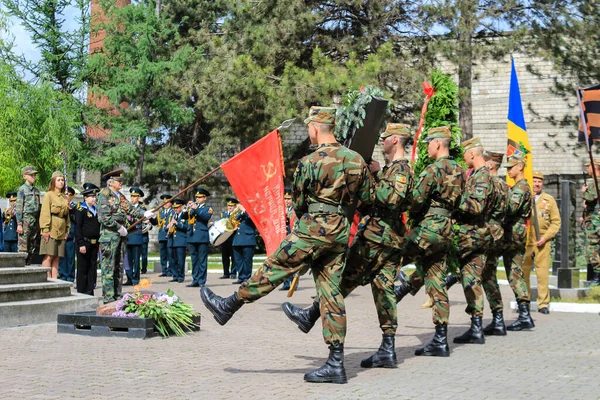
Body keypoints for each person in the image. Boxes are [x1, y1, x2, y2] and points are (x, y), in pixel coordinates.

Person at [200, 106, 373, 384]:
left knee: (275, 267)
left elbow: (300, 201)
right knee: (331, 294)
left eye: (309, 127)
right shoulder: (355, 159)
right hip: (340, 230)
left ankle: (229, 305)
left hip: (314, 227)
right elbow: (367, 198)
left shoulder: (309, 161)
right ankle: (335, 363)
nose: (308, 131)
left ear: (315, 128)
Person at [282, 122, 413, 368]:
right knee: (384, 290)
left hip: (377, 237)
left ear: (395, 140)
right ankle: (388, 348)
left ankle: (310, 316)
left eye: (385, 138)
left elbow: (391, 199)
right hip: (387, 237)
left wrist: (373, 174)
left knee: (339, 283)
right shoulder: (393, 169)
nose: (382, 142)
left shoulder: (401, 169)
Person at [393, 126, 466, 357]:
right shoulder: (461, 170)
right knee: (436, 281)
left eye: (428, 143)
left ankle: (402, 287)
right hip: (445, 230)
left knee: (396, 255)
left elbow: (415, 201)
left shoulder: (433, 170)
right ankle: (440, 339)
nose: (426, 147)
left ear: (437, 143)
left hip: (428, 227)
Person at [452, 137, 495, 345]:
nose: (463, 158)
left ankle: (407, 286)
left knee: (436, 252)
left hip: (473, 235)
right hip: (476, 233)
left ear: (472, 154)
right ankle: (476, 327)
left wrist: (454, 198)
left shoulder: (482, 176)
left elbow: (476, 207)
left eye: (464, 154)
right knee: (471, 280)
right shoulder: (478, 175)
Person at [97, 169, 153, 303]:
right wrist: (118, 227)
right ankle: (108, 297)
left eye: (121, 180)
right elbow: (103, 217)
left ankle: (117, 295)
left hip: (121, 237)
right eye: (118, 181)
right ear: (111, 182)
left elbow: (130, 209)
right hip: (109, 236)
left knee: (119, 267)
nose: (121, 182)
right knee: (109, 267)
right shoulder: (104, 195)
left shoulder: (120, 196)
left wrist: (143, 215)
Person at [501, 153, 535, 330]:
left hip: (514, 232)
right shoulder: (518, 186)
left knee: (514, 272)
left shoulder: (521, 187)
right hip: (515, 231)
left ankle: (524, 315)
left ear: (520, 167)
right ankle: (525, 314)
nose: (508, 170)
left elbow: (510, 208)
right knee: (514, 271)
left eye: (511, 167)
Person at [522, 171, 560, 313]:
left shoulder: (549, 200)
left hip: (542, 240)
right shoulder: (524, 198)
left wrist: (546, 237)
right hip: (526, 240)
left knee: (542, 273)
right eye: (534, 181)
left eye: (539, 181)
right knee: (523, 273)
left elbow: (556, 222)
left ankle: (543, 304)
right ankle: (524, 302)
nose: (537, 184)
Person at [480, 151, 509, 336]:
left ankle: (479, 320)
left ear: (490, 166)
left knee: (477, 275)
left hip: (486, 232)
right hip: (498, 232)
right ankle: (498, 318)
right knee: (489, 275)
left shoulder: (489, 184)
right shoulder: (505, 186)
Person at [39, 171, 70, 279]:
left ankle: (55, 280)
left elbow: (67, 216)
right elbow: (45, 213)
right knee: (49, 256)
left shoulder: (65, 198)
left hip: (61, 230)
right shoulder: (49, 195)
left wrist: (67, 230)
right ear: (53, 181)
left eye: (62, 180)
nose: (61, 182)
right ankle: (46, 280)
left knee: (57, 257)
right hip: (51, 229)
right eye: (58, 180)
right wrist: (45, 230)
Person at [75, 183, 101, 295]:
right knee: (83, 268)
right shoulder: (81, 209)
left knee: (92, 267)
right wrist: (81, 243)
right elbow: (78, 227)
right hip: (84, 242)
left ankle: (90, 290)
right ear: (85, 197)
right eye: (92, 196)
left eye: (95, 197)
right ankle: (81, 290)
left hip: (94, 243)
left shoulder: (96, 210)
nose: (94, 199)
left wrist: (99, 242)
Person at [187, 187, 213, 288]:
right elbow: (184, 216)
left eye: (199, 197)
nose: (197, 199)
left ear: (204, 198)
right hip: (192, 236)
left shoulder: (208, 208)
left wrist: (196, 208)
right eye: (196, 197)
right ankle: (195, 279)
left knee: (202, 260)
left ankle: (202, 280)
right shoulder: (193, 208)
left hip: (202, 237)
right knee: (194, 260)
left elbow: (206, 217)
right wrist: (189, 208)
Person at [16, 166, 41, 264]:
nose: (33, 177)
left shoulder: (36, 190)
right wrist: (19, 224)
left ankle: (28, 264)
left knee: (32, 244)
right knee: (23, 245)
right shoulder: (22, 189)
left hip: (34, 220)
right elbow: (19, 208)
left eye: (34, 175)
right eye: (31, 175)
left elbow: (38, 207)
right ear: (24, 176)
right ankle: (20, 265)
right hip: (26, 219)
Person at [582, 161, 600, 287]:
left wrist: (584, 191)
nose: (587, 169)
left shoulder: (596, 182)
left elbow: (589, 197)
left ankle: (597, 277)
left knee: (592, 249)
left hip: (595, 222)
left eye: (588, 166)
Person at [231, 203, 257, 284]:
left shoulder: (253, 210)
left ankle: (247, 277)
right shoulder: (238, 213)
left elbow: (254, 218)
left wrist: (244, 209)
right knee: (238, 260)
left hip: (248, 239)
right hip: (237, 239)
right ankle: (241, 277)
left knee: (247, 260)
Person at [125, 187, 145, 286]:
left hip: (136, 236)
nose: (132, 198)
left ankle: (136, 279)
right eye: (131, 196)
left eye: (135, 196)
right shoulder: (127, 208)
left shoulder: (141, 209)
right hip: (127, 237)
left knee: (136, 260)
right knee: (127, 260)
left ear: (139, 197)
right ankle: (129, 278)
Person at [58, 186, 77, 282]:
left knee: (70, 258)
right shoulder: (60, 205)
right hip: (61, 234)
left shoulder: (75, 206)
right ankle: (62, 275)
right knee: (61, 256)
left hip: (70, 235)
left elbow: (76, 219)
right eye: (66, 194)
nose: (67, 197)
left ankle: (70, 276)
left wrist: (70, 210)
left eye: (70, 195)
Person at [167, 198, 188, 283]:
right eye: (174, 208)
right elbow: (166, 226)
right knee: (172, 260)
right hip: (172, 240)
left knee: (181, 260)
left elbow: (186, 227)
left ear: (181, 207)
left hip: (181, 241)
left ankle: (181, 276)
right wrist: (167, 227)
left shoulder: (185, 215)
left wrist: (177, 223)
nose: (175, 209)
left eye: (177, 207)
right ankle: (175, 275)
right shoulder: (172, 216)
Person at [155, 194, 174, 277]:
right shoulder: (160, 212)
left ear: (171, 203)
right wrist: (150, 218)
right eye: (164, 202)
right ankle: (164, 270)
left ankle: (170, 270)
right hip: (162, 235)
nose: (165, 204)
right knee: (163, 254)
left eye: (167, 202)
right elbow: (155, 222)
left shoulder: (173, 212)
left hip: (170, 235)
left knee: (170, 254)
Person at [280, 189, 295, 290]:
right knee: (283, 261)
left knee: (292, 261)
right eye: (285, 199)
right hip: (283, 238)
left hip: (293, 239)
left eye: (289, 199)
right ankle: (285, 283)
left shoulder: (295, 209)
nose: (286, 201)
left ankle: (293, 283)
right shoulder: (280, 210)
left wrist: (287, 214)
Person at [219, 198, 237, 279]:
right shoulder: (224, 214)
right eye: (229, 206)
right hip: (225, 238)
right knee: (225, 257)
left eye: (232, 206)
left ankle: (233, 273)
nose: (230, 207)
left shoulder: (236, 215)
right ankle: (226, 273)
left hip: (233, 238)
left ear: (235, 206)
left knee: (234, 256)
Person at [140, 201, 151, 275]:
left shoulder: (146, 216)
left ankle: (144, 269)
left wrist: (148, 223)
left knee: (144, 255)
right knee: (136, 255)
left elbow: (150, 227)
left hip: (144, 237)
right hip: (136, 236)